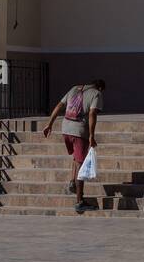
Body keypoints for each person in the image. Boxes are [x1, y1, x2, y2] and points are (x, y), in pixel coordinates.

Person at [42, 78, 105, 213]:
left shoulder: (75, 88)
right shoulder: (97, 94)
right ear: (100, 88)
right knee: (81, 165)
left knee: (77, 158)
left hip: (66, 129)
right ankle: (79, 201)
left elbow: (59, 106)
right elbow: (92, 113)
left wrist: (49, 124)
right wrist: (91, 136)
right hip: (79, 131)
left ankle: (72, 182)